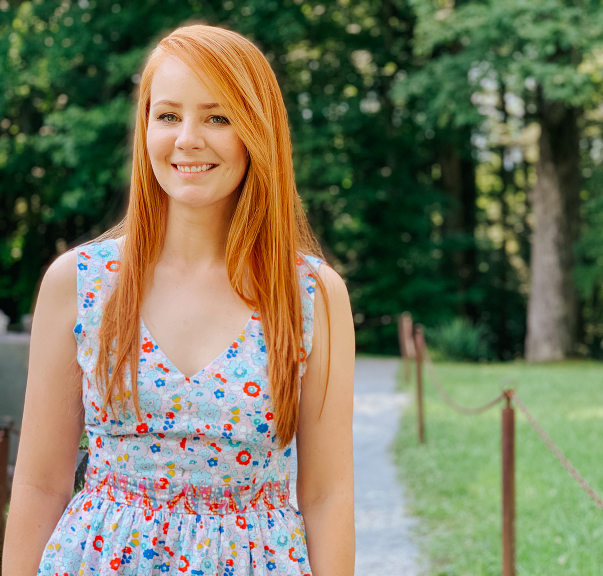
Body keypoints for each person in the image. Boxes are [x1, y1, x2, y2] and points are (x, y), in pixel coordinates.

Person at [3, 24, 355, 576]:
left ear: (256, 132)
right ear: (146, 126)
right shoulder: (80, 282)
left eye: (217, 117)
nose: (188, 137)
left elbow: (327, 496)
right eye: (168, 115)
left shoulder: (311, 295)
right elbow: (40, 484)